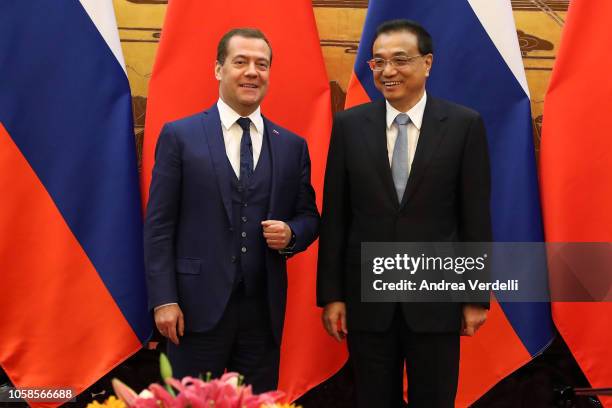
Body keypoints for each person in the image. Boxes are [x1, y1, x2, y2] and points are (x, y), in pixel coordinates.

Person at [317, 19, 492, 407]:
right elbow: (336, 216)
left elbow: (475, 217)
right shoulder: (349, 126)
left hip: (436, 301)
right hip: (367, 302)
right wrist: (332, 295)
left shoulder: (464, 125)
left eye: (400, 60)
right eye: (378, 62)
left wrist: (475, 296)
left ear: (427, 63)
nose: (388, 71)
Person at [144, 27, 319, 392]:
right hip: (192, 312)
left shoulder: (291, 146)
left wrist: (292, 234)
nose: (252, 72)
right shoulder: (179, 136)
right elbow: (159, 226)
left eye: (262, 64)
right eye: (241, 62)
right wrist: (164, 299)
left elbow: (309, 216)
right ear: (218, 69)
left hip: (262, 313)